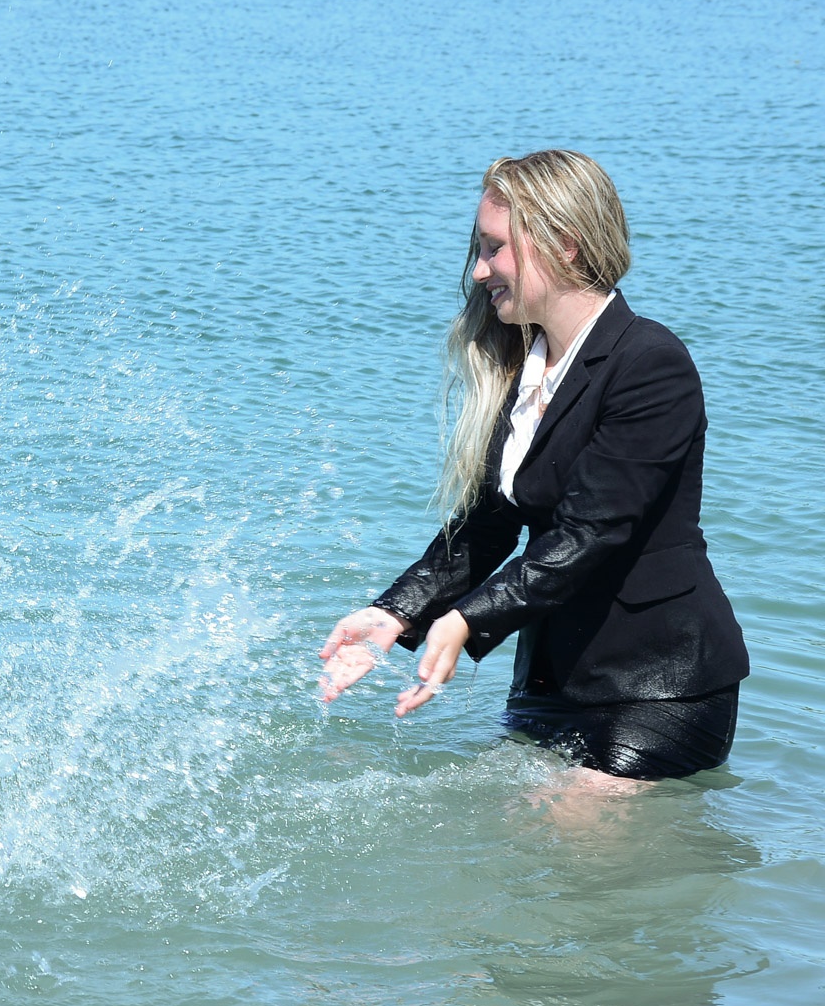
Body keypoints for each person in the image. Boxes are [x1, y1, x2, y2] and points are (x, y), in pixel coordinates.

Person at [319, 150, 747, 782]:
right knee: (505, 837)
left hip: (659, 686)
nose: (478, 270)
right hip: (549, 679)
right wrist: (397, 612)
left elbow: (592, 532)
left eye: (494, 248)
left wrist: (465, 621)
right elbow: (487, 526)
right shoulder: (522, 368)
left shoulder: (651, 363)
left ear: (564, 244)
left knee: (571, 828)